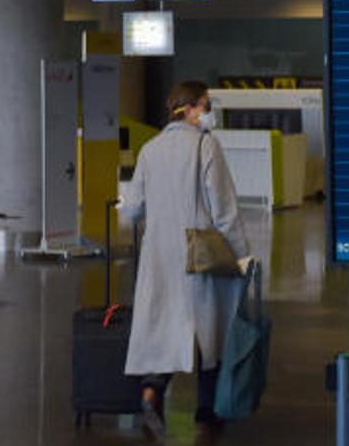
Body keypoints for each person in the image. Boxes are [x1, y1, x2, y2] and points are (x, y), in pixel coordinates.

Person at [118, 81, 249, 440]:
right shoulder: (206, 146)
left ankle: (151, 391)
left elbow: (130, 212)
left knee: (166, 327)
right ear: (189, 109)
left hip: (159, 254)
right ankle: (207, 411)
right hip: (201, 251)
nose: (209, 111)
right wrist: (243, 256)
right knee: (211, 331)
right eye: (205, 105)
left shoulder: (150, 149)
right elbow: (225, 211)